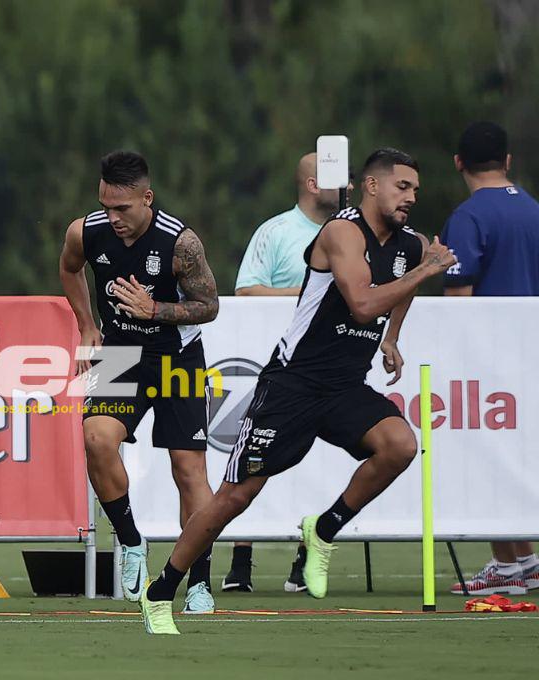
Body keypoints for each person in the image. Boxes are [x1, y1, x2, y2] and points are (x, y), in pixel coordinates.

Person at [140, 148, 457, 634]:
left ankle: (323, 529)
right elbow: (362, 305)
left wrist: (393, 338)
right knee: (233, 498)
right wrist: (424, 272)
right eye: (403, 187)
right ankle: (161, 591)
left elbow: (401, 288)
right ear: (371, 186)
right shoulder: (342, 233)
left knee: (400, 445)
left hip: (344, 386)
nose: (412, 196)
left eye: (415, 189)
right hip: (292, 384)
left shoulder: (409, 245)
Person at [59, 151, 219, 613]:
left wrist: (156, 311)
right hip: (120, 353)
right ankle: (130, 542)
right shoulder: (84, 232)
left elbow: (208, 305)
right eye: (106, 206)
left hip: (179, 359)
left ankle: (200, 583)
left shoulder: (181, 243)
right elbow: (69, 269)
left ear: (147, 198)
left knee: (189, 471)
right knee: (95, 438)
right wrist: (87, 325)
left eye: (123, 209)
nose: (114, 218)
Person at [228, 153, 350, 594]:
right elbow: (246, 288)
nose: (350, 187)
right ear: (314, 184)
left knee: (316, 464)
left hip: (330, 367)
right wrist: (310, 292)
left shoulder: (357, 231)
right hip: (279, 363)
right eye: (341, 180)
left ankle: (304, 558)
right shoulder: (276, 232)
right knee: (256, 457)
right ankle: (241, 561)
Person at [442, 121, 539, 595]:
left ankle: (507, 566)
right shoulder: (534, 211)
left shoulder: (467, 217)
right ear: (508, 161)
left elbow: (460, 300)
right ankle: (526, 559)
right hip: (531, 354)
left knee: (489, 456)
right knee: (521, 455)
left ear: (459, 163)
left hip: (490, 361)